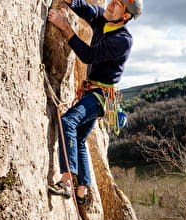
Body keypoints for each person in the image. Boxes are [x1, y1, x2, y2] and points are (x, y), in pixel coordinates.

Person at [47, 0, 142, 204]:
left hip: (100, 97)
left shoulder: (122, 40)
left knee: (68, 122)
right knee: (80, 139)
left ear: (125, 17)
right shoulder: (103, 18)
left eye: (119, 4)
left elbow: (89, 55)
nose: (112, 3)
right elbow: (83, 7)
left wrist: (65, 27)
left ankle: (66, 181)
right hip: (94, 91)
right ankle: (83, 189)